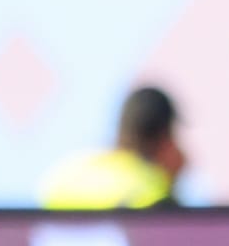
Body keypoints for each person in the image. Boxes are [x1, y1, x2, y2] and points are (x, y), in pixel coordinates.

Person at [38, 85, 187, 210]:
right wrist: (172, 181)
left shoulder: (65, 175)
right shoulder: (152, 193)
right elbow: (173, 232)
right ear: (164, 139)